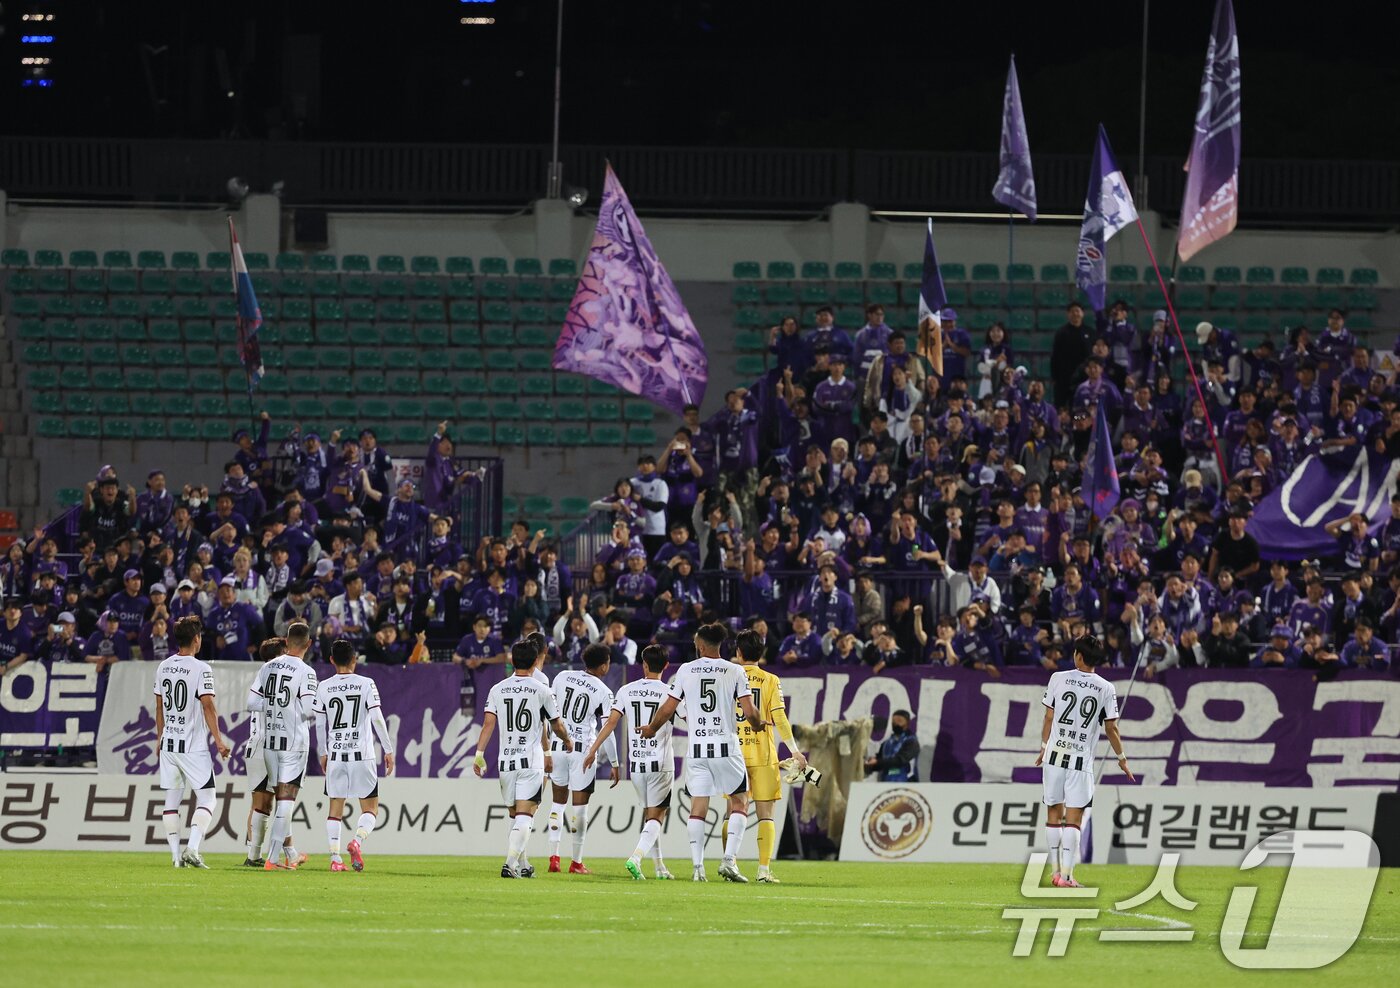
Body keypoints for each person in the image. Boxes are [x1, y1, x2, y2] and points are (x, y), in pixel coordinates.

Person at [640, 623, 762, 883]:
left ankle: (698, 868)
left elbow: (668, 708)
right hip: (726, 748)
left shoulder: (685, 670)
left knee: (698, 807)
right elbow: (750, 713)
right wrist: (760, 724)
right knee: (740, 801)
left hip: (697, 749)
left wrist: (651, 728)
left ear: (702, 646)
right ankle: (729, 860)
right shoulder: (735, 670)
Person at [1034, 635, 1132, 889]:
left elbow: (1048, 717)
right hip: (1080, 760)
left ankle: (1055, 872)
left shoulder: (1058, 678)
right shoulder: (1106, 688)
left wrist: (1044, 747)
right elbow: (1111, 728)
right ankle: (1066, 876)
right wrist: (1122, 758)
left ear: (1078, 655)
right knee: (1074, 819)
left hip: (1055, 755)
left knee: (1053, 813)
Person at [473, 641, 573, 879]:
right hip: (530, 761)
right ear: (536, 660)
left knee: (515, 816)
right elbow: (556, 724)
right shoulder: (542, 689)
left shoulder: (498, 689)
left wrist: (478, 755)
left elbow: (488, 723)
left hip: (505, 762)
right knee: (526, 815)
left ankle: (523, 864)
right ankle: (509, 864)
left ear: (512, 661)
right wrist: (567, 741)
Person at [581, 644, 678, 880]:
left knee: (649, 816)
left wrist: (593, 750)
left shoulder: (626, 690)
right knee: (657, 817)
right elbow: (689, 718)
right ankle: (635, 858)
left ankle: (659, 867)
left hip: (636, 766)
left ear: (643, 665)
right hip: (661, 764)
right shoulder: (671, 692)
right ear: (666, 666)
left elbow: (610, 723)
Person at [153, 616, 231, 869]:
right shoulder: (201, 669)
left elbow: (159, 707)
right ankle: (193, 849)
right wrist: (218, 740)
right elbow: (208, 704)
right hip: (192, 746)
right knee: (208, 799)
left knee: (172, 800)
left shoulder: (163, 666)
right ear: (196, 639)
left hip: (169, 743)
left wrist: (159, 737)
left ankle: (176, 858)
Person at [732, 629, 807, 883]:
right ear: (762, 653)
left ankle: (729, 863)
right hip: (763, 754)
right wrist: (794, 749)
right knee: (766, 815)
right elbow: (780, 718)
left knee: (733, 811)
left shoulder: (729, 677)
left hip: (734, 755)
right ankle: (763, 871)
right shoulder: (771, 680)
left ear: (738, 652)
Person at [314, 639, 395, 872]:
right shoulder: (366, 683)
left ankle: (335, 859)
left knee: (335, 809)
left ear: (331, 660)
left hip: (337, 755)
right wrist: (388, 749)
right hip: (362, 756)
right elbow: (377, 718)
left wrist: (323, 752)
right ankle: (356, 841)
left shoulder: (324, 687)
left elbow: (320, 724)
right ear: (354, 659)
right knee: (370, 809)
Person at [248, 620, 318, 871]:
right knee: (286, 802)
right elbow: (310, 710)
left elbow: (251, 703)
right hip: (293, 745)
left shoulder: (268, 667)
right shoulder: (306, 672)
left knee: (280, 800)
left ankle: (284, 855)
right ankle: (274, 859)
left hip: (270, 744)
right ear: (308, 644)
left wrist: (275, 707)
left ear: (286, 642)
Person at [545, 643, 618, 875]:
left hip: (557, 746)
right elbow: (608, 729)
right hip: (582, 752)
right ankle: (576, 862)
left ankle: (553, 858)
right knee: (580, 808)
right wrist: (615, 763)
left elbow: (550, 714)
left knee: (557, 803)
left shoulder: (562, 677)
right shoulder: (603, 691)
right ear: (604, 665)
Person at [866, 709, 920, 782]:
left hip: (905, 780)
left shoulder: (911, 741)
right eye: (894, 721)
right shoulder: (886, 743)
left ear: (907, 723)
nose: (896, 724)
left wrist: (878, 762)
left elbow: (900, 760)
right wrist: (869, 764)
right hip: (885, 780)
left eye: (899, 721)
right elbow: (879, 761)